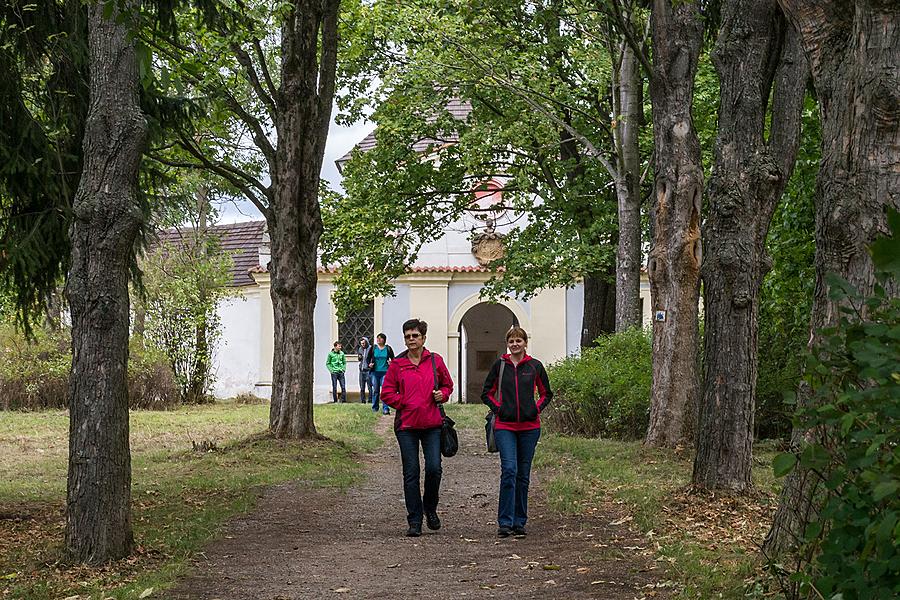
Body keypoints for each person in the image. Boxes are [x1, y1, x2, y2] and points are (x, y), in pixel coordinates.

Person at [381, 319, 453, 537]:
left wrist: (444, 394)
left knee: (434, 468)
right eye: (407, 336)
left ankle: (430, 508)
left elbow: (448, 384)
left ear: (423, 338)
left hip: (432, 425)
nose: (411, 339)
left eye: (415, 335)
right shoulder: (397, 364)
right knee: (411, 472)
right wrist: (403, 402)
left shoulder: (435, 361)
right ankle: (414, 520)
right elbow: (386, 392)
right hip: (406, 426)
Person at [481, 326, 552, 538]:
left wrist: (535, 408)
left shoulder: (535, 366)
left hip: (530, 428)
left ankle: (520, 521)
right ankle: (505, 522)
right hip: (505, 426)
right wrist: (499, 409)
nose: (515, 344)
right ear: (507, 344)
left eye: (518, 341)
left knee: (523, 475)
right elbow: (487, 393)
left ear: (525, 343)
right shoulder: (499, 366)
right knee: (509, 470)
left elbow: (547, 393)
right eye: (511, 341)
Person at [368, 333, 395, 415]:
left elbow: (393, 359)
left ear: (384, 339)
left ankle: (385, 408)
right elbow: (368, 359)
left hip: (385, 372)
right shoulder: (373, 348)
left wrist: (391, 363)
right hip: (375, 372)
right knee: (375, 390)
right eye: (377, 338)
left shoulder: (388, 348)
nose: (378, 340)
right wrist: (369, 364)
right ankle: (375, 408)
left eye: (380, 338)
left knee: (385, 391)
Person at [356, 337, 373, 404]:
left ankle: (370, 400)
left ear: (366, 342)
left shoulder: (371, 348)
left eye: (363, 343)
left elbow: (373, 358)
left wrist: (371, 364)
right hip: (361, 370)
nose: (362, 345)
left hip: (368, 370)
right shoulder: (360, 349)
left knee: (369, 387)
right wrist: (359, 358)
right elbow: (359, 359)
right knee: (362, 387)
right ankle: (363, 401)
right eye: (361, 344)